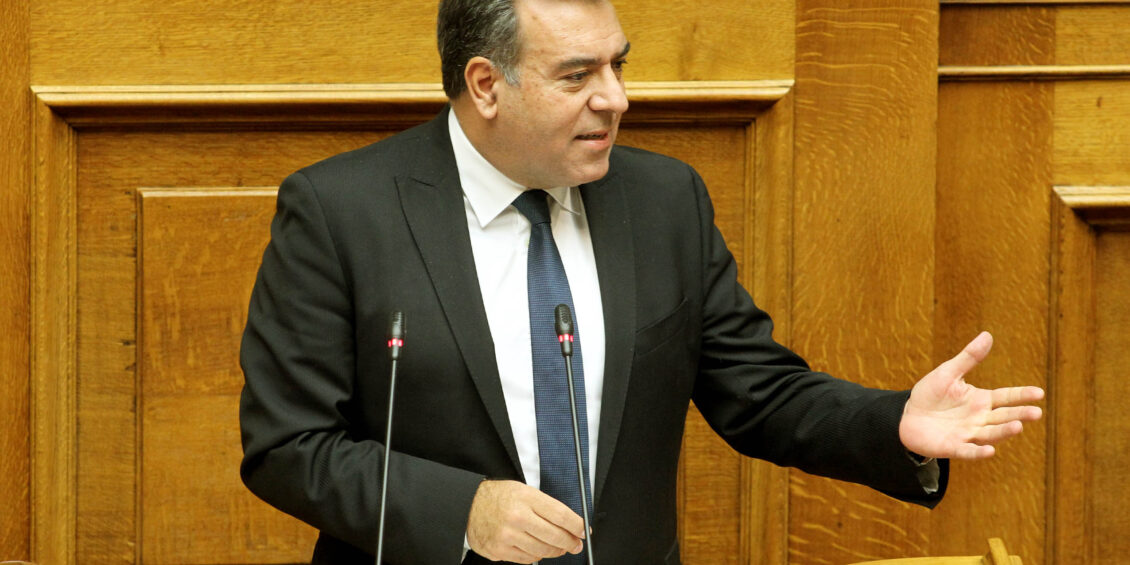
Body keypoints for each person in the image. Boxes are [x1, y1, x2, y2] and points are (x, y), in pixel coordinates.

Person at [238, 0, 1045, 563]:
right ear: (486, 85)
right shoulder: (341, 212)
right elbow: (287, 445)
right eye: (577, 76)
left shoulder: (664, 201)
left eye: (618, 65)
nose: (616, 99)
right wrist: (465, 510)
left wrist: (894, 422)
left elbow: (758, 393)